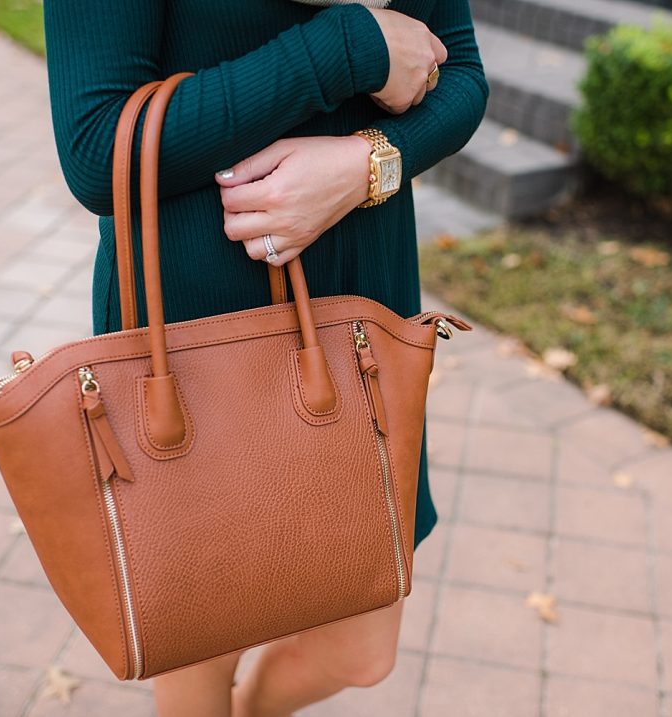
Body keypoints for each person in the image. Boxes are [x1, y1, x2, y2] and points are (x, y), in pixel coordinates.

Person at [42, 1, 487, 714]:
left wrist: (369, 162)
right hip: (190, 329)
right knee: (198, 651)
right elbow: (98, 150)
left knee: (360, 650)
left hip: (361, 309)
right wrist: (350, 47)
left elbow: (459, 72)